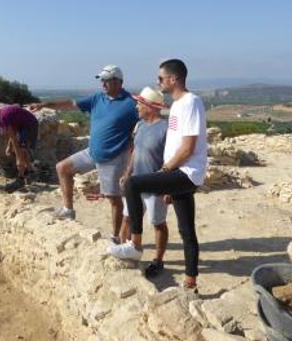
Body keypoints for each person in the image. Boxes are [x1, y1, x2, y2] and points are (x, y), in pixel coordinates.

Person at [107, 59, 208, 291]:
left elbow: (188, 148)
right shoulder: (177, 105)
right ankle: (191, 282)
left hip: (184, 173)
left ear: (173, 79)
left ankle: (135, 244)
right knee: (187, 230)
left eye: (160, 78)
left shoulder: (191, 102)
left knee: (132, 185)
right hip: (181, 173)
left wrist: (165, 172)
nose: (158, 82)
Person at [30, 65, 138, 240]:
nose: (102, 83)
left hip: (114, 157)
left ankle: (115, 237)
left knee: (113, 199)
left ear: (119, 82)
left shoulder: (131, 104)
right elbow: (71, 104)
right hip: (92, 152)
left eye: (107, 80)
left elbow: (142, 128)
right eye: (101, 80)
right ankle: (68, 210)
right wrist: (45, 104)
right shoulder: (97, 98)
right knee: (62, 168)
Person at [109, 86, 169, 278]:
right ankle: (128, 248)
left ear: (150, 106)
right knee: (128, 217)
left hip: (155, 185)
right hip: (135, 184)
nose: (136, 107)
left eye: (139, 103)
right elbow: (135, 151)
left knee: (158, 223)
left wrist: (169, 189)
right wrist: (127, 172)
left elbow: (170, 159)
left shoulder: (166, 129)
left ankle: (158, 261)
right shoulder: (141, 125)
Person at [0, 104, 39, 193]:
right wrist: (9, 146)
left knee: (21, 149)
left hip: (29, 125)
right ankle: (30, 172)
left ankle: (21, 178)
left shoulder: (3, 117)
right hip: (23, 125)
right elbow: (13, 133)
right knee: (21, 149)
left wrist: (18, 160)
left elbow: (14, 138)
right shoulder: (2, 115)